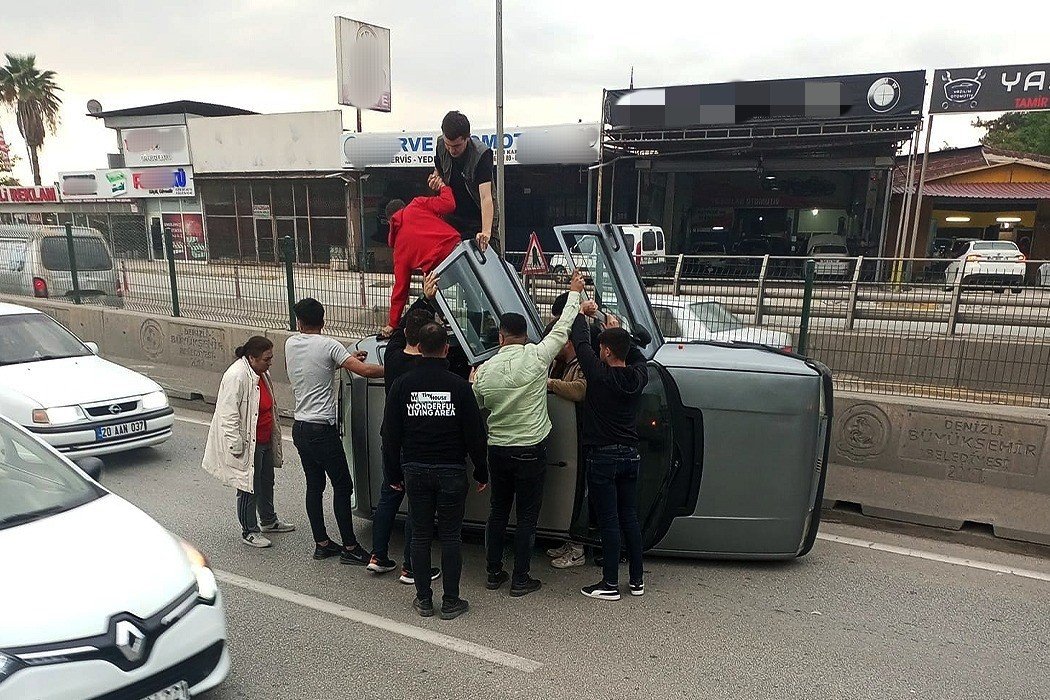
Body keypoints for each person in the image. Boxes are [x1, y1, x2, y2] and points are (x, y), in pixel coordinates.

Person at [473, 272, 584, 597]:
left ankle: (493, 572)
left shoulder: (485, 371)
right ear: (525, 335)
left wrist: (472, 382)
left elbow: (475, 403)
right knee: (526, 517)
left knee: (497, 512)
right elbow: (562, 328)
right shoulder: (537, 356)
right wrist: (574, 293)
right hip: (531, 451)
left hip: (498, 451)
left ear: (500, 338)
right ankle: (520, 579)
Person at [382, 322, 488, 620]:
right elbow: (475, 434)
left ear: (418, 347)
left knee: (420, 534)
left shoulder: (402, 385)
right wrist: (482, 471)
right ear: (446, 349)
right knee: (451, 536)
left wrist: (392, 474)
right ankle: (451, 601)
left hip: (415, 469)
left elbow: (390, 434)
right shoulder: (459, 386)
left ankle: (424, 599)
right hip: (452, 470)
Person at [286, 297, 384, 564]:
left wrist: (344, 360)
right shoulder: (329, 345)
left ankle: (322, 543)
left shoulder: (290, 343)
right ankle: (350, 547)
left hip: (300, 428)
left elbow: (315, 365)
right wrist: (400, 367)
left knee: (314, 485)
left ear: (299, 322)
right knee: (343, 485)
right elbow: (365, 371)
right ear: (323, 320)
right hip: (322, 430)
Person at [369, 272, 443, 584]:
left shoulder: (393, 355)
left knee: (389, 494)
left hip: (391, 437)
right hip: (417, 444)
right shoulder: (431, 368)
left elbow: (402, 328)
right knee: (417, 505)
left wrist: (424, 299)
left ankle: (378, 556)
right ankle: (411, 567)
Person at [570, 315, 649, 601]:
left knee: (608, 521)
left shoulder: (599, 374)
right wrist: (619, 332)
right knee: (630, 517)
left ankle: (610, 583)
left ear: (605, 351)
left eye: (602, 347)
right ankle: (637, 580)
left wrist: (580, 311)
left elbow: (580, 342)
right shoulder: (638, 376)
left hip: (602, 456)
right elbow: (637, 355)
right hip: (630, 455)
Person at [202, 336, 294, 548]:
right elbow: (228, 413)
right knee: (248, 486)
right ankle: (249, 530)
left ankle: (268, 520)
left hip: (263, 439)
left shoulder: (261, 373)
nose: (270, 363)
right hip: (247, 442)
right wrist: (235, 444)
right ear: (252, 358)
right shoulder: (236, 376)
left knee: (266, 481)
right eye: (266, 359)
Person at [380, 182, 462, 338]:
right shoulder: (417, 204)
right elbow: (449, 204)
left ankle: (445, 324)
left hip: (439, 272)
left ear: (390, 222)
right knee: (476, 293)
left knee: (429, 291)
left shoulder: (399, 249)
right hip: (458, 252)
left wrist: (392, 323)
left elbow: (400, 289)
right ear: (404, 207)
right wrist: (443, 186)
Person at [543, 316, 589, 569]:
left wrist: (550, 383)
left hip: (579, 438)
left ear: (567, 342)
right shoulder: (559, 363)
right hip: (564, 435)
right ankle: (568, 539)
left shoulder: (580, 364)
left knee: (578, 491)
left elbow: (579, 390)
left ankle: (577, 548)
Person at [431, 110, 496, 252]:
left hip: (479, 217)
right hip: (452, 217)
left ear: (468, 137)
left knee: (488, 254)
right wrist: (435, 179)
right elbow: (438, 171)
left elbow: (486, 197)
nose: (451, 150)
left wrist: (486, 232)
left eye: (456, 146)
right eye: (448, 145)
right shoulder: (440, 144)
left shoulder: (482, 155)